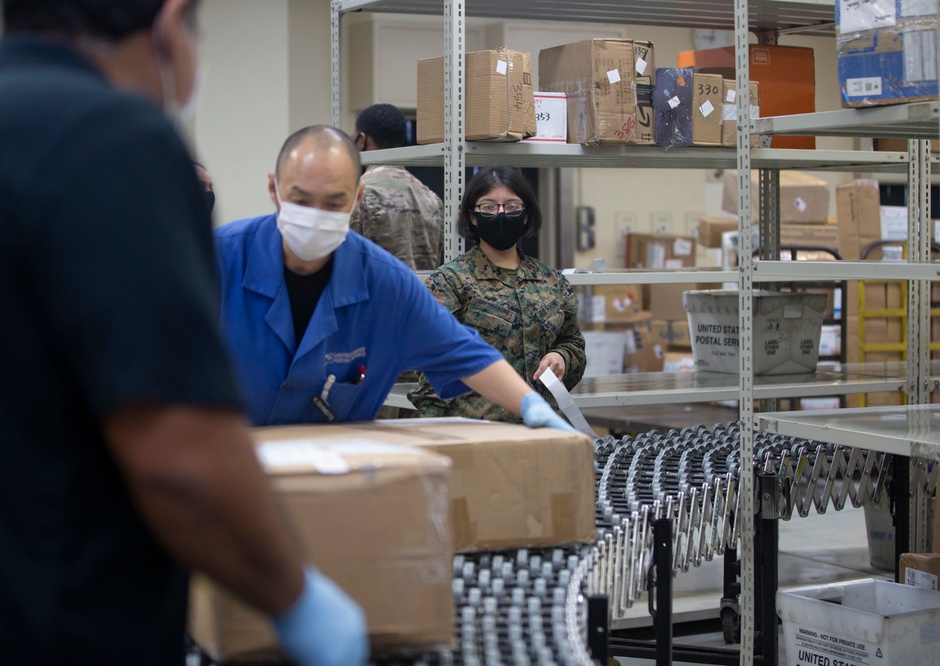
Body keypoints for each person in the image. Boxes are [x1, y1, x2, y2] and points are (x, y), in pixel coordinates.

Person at [0, 1, 367, 664]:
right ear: (172, 23)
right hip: (57, 621)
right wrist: (295, 598)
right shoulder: (110, 137)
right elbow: (179, 453)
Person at [214, 124, 575, 433]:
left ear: (357, 198)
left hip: (333, 480)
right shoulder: (215, 261)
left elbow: (466, 354)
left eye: (333, 202)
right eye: (301, 200)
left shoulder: (385, 284)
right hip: (227, 474)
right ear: (274, 190)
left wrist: (532, 406)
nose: (315, 216)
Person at [408, 167, 586, 421]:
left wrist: (561, 357)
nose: (501, 214)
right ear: (472, 216)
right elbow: (431, 364)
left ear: (525, 215)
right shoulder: (450, 282)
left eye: (512, 206)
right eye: (489, 207)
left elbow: (573, 343)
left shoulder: (552, 281)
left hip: (541, 425)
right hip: (476, 431)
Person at [350, 103, 443, 270]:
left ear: (361, 141)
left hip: (374, 294)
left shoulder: (360, 193)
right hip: (421, 295)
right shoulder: (430, 197)